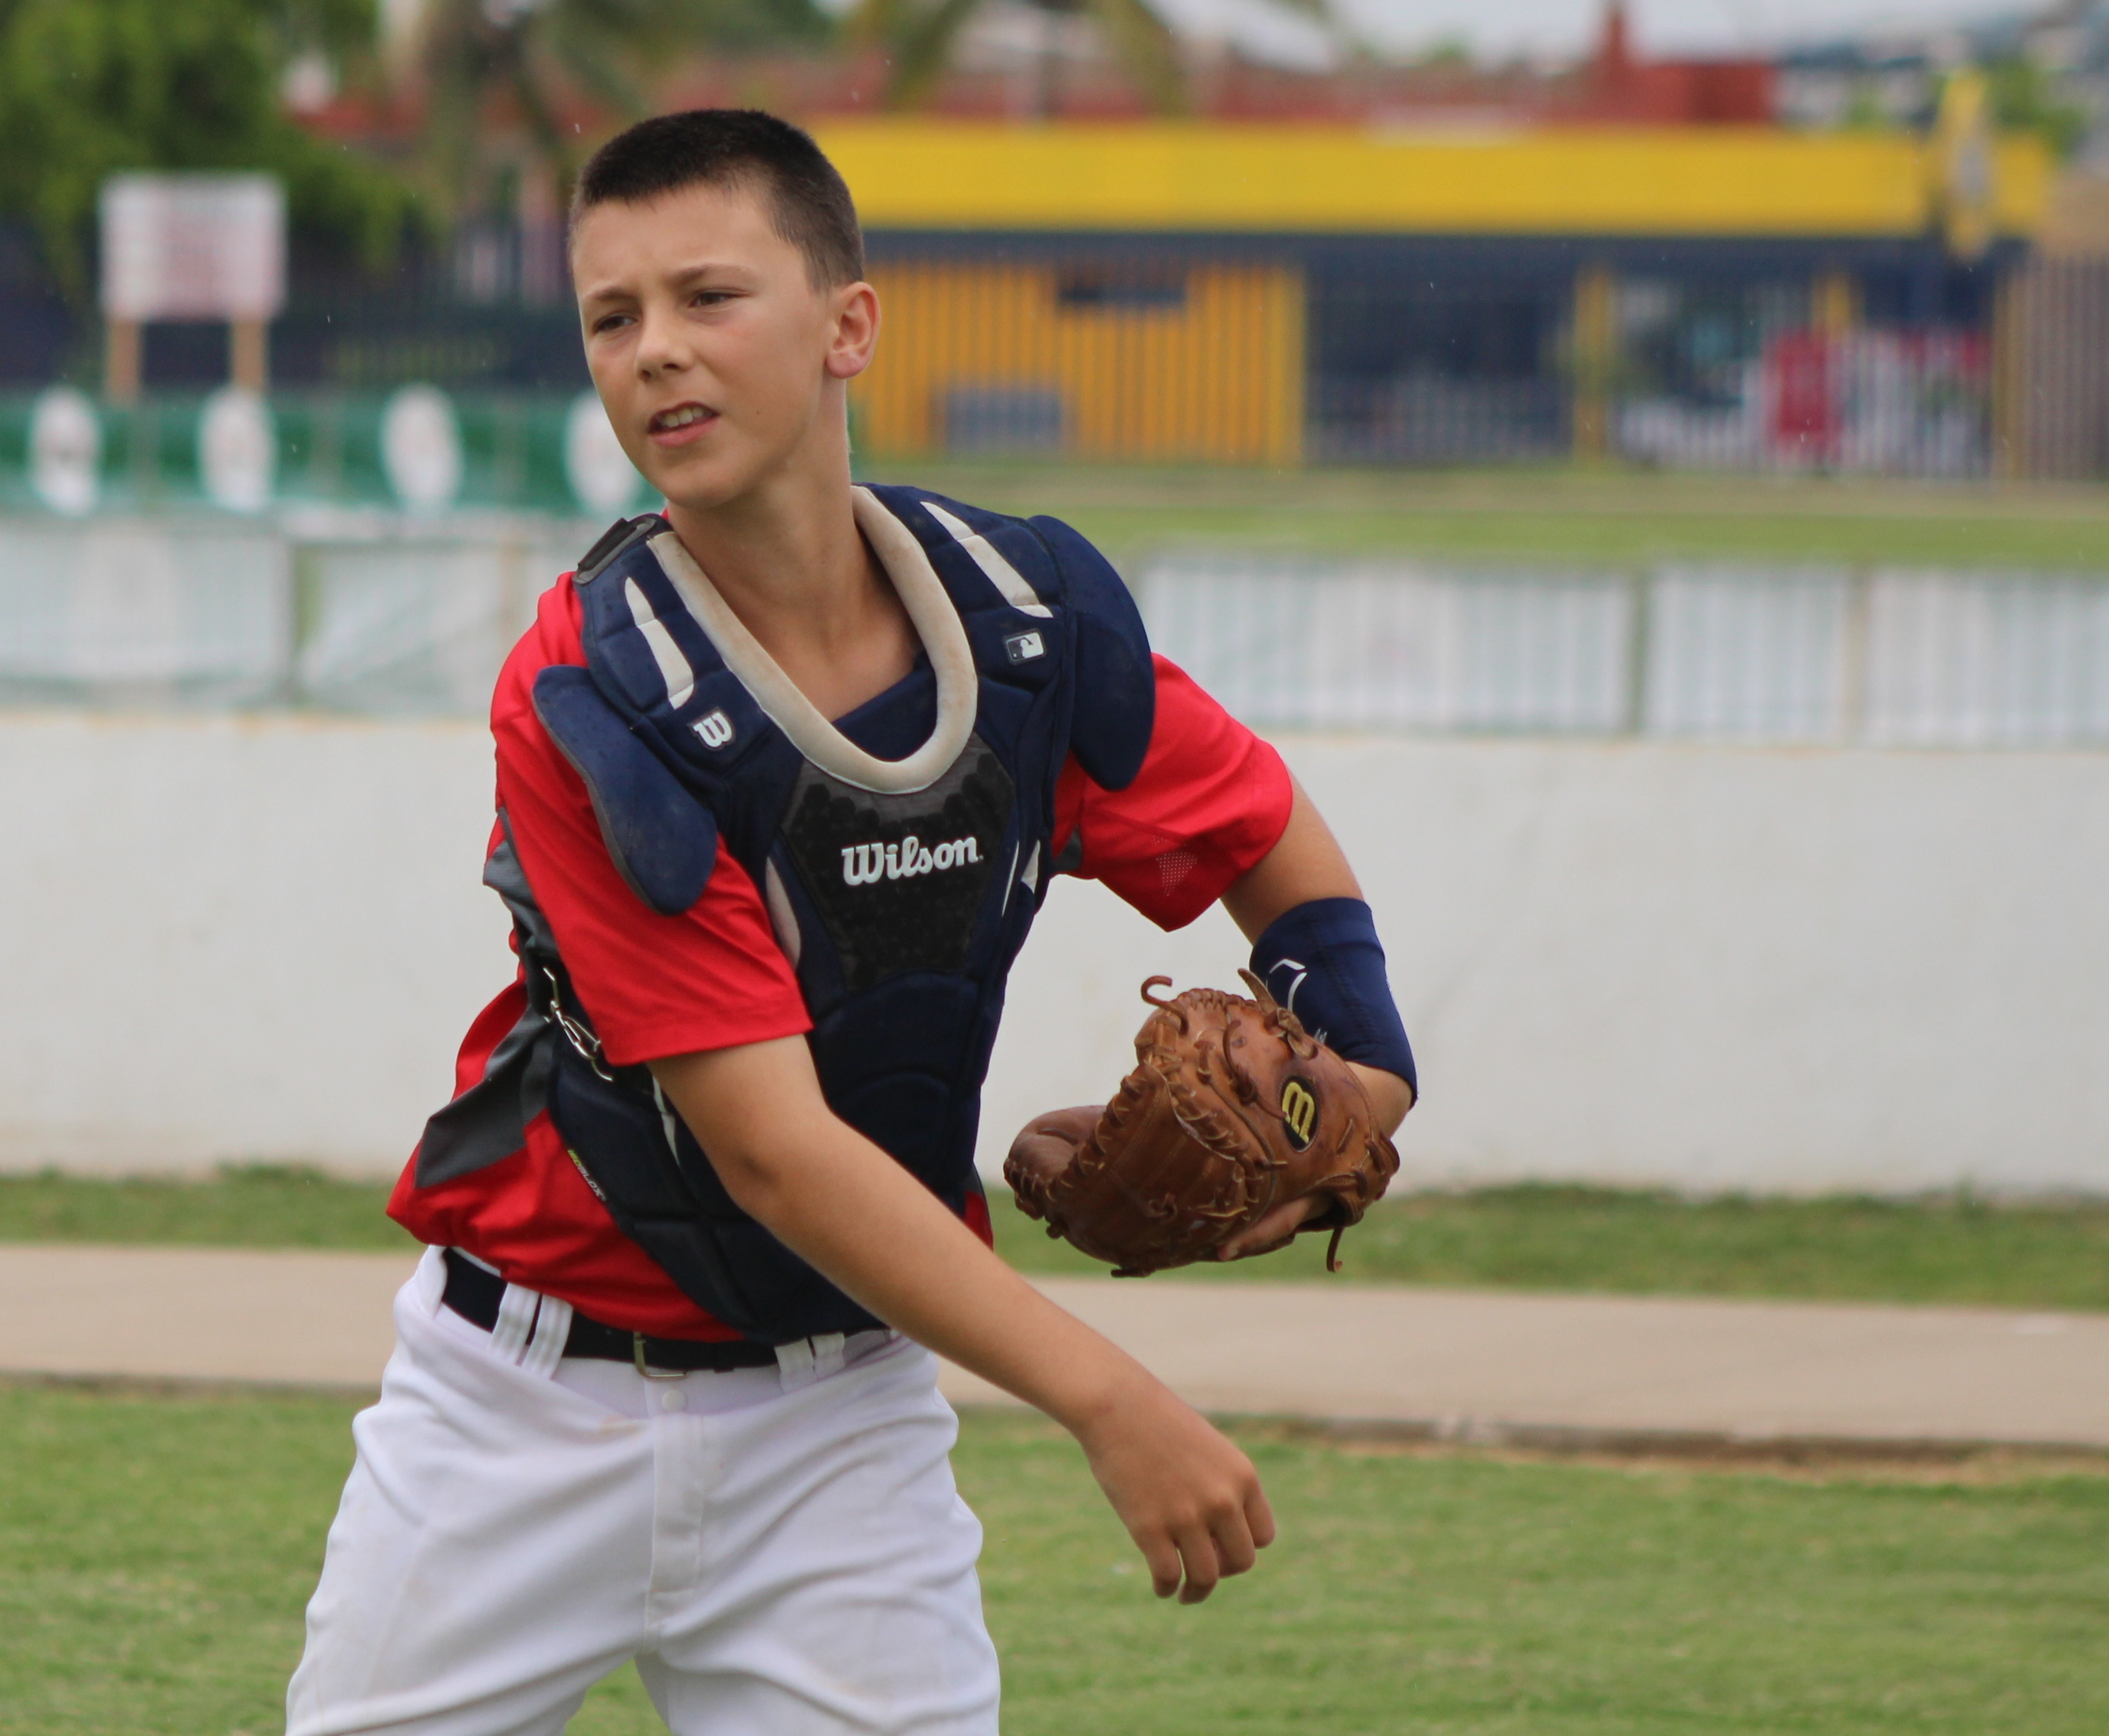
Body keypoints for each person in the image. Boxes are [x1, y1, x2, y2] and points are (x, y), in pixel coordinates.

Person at [286, 109, 1418, 1736]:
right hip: (521, 1412)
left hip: (839, 1425)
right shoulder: (590, 694)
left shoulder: (1025, 630)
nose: (656, 353)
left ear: (848, 325)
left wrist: (1369, 1066)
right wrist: (1108, 1398)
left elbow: (1265, 833)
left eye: (707, 297)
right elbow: (774, 1153)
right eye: (613, 318)